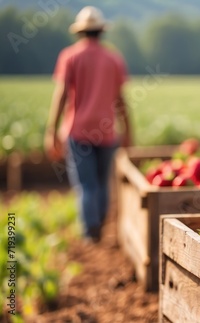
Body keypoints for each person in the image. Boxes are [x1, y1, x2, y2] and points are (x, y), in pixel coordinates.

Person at [44, 6, 132, 242]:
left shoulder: (70, 56)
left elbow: (61, 95)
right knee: (102, 182)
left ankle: (90, 231)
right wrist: (129, 130)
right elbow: (121, 100)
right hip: (106, 131)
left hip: (78, 130)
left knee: (86, 184)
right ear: (101, 31)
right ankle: (100, 223)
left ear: (80, 32)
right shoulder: (113, 58)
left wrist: (51, 130)